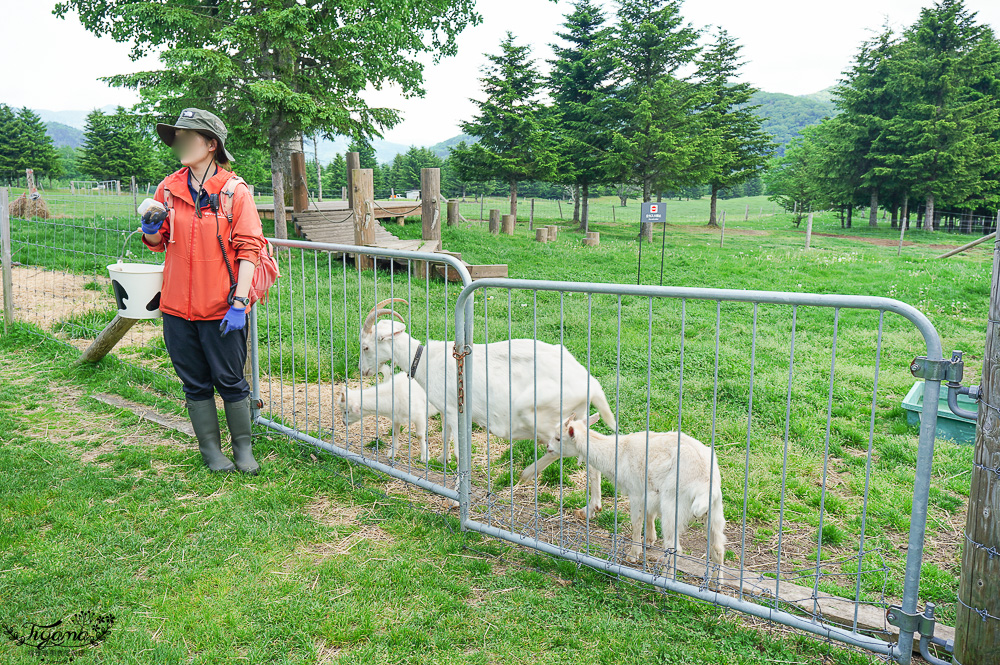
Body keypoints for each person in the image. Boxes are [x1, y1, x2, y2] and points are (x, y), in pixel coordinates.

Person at [141, 108, 265, 474]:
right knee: (194, 382)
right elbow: (157, 242)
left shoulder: (234, 192)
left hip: (222, 308)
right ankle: (211, 450)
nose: (179, 142)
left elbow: (249, 250)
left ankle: (243, 448)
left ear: (211, 145)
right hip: (177, 307)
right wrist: (150, 227)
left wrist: (240, 302)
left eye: (188, 136)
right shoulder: (168, 188)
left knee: (229, 380)